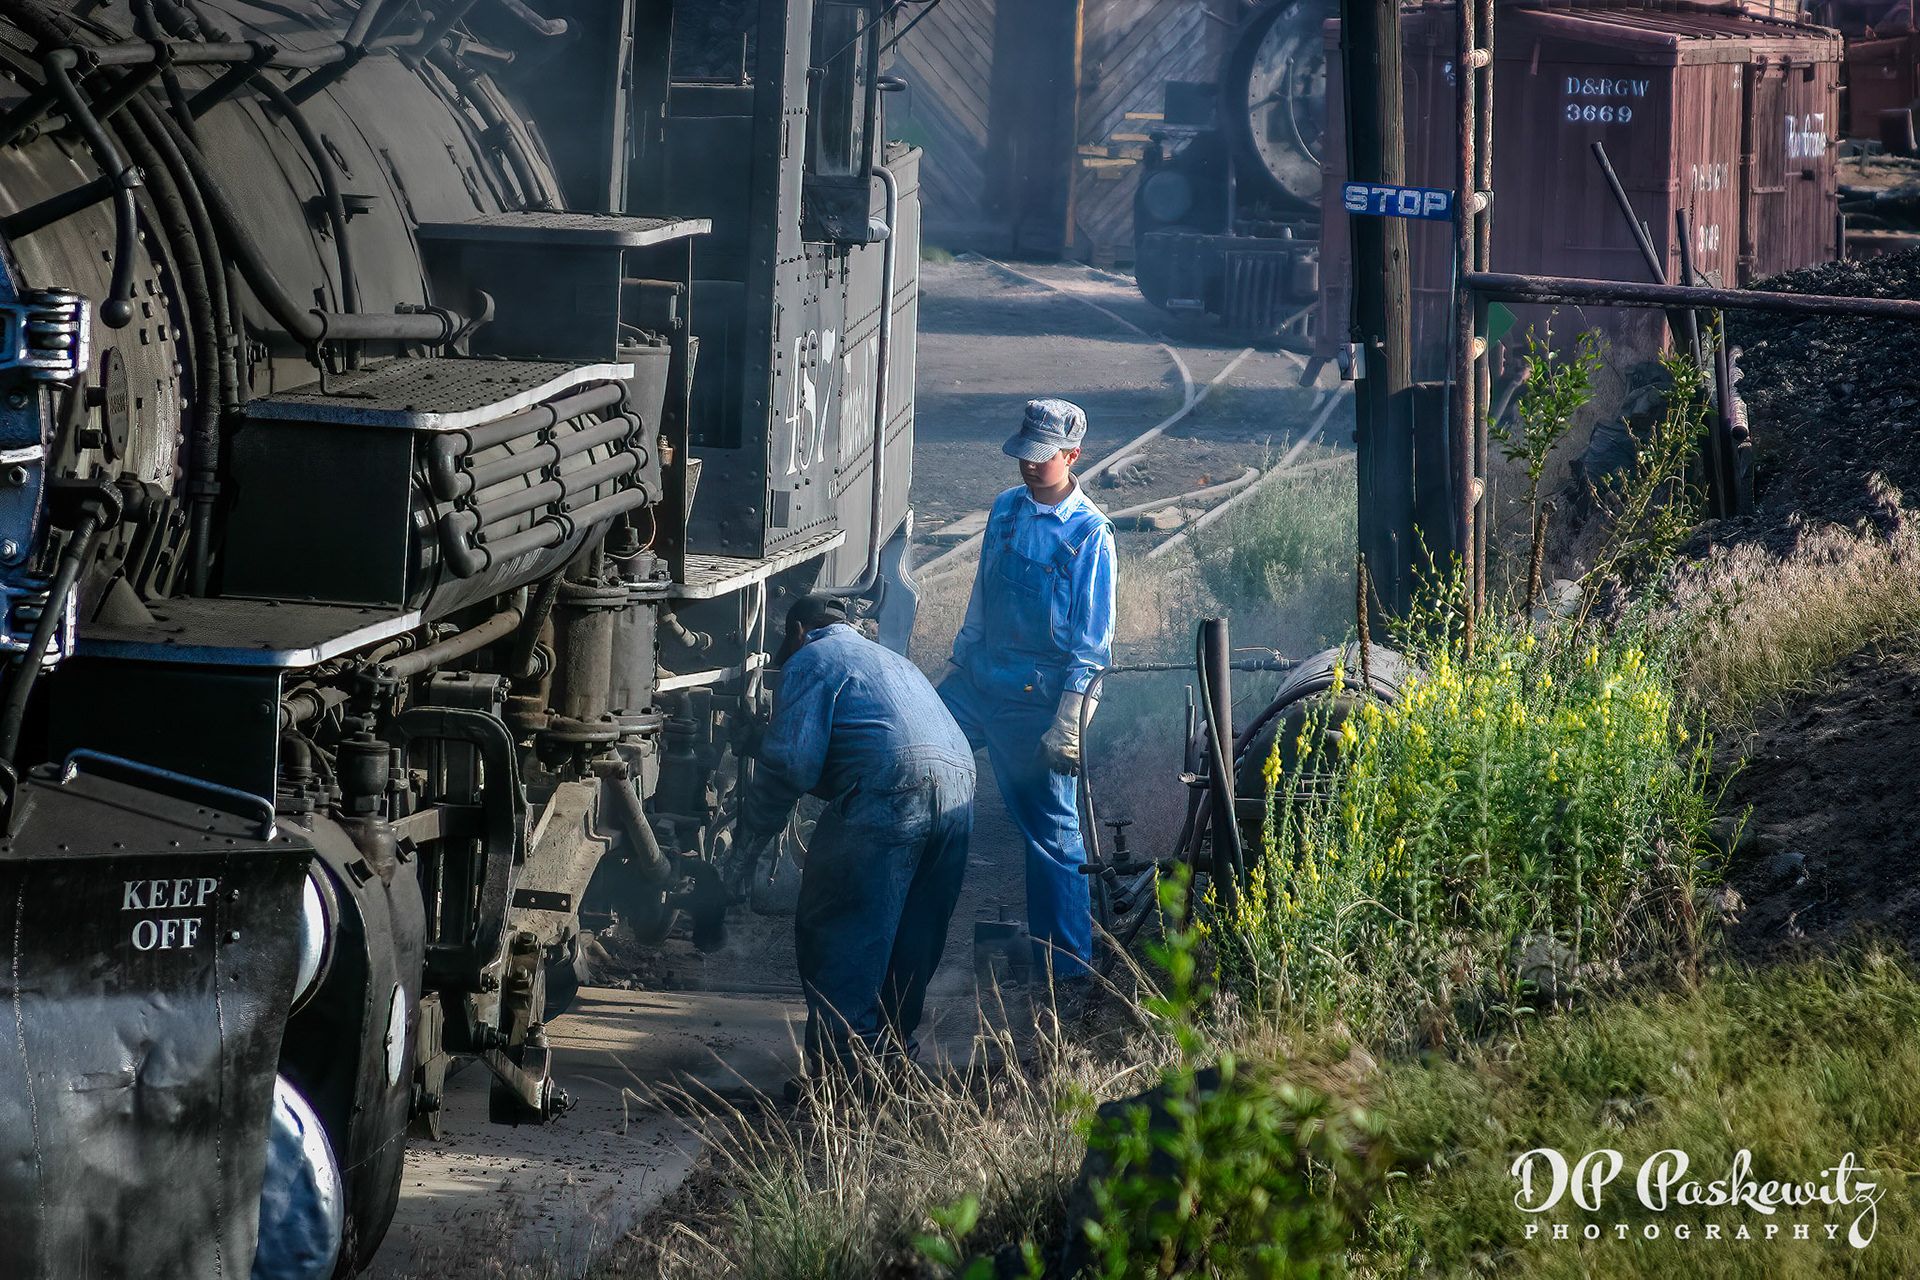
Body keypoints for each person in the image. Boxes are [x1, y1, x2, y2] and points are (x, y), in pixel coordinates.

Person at [737, 593, 977, 1074]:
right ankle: (891, 1059)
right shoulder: (895, 663)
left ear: (798, 632)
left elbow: (790, 767)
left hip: (893, 789)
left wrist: (743, 851)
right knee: (914, 931)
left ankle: (847, 1077)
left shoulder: (811, 658)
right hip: (961, 787)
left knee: (841, 925)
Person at [938, 398, 1115, 982]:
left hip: (1034, 701)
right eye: (1025, 456)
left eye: (1044, 458)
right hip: (977, 681)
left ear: (1073, 455)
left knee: (1051, 840)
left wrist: (1068, 726)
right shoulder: (1006, 510)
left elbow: (1091, 649)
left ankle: (1066, 975)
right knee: (916, 760)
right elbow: (982, 600)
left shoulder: (1091, 536)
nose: (1030, 467)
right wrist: (958, 664)